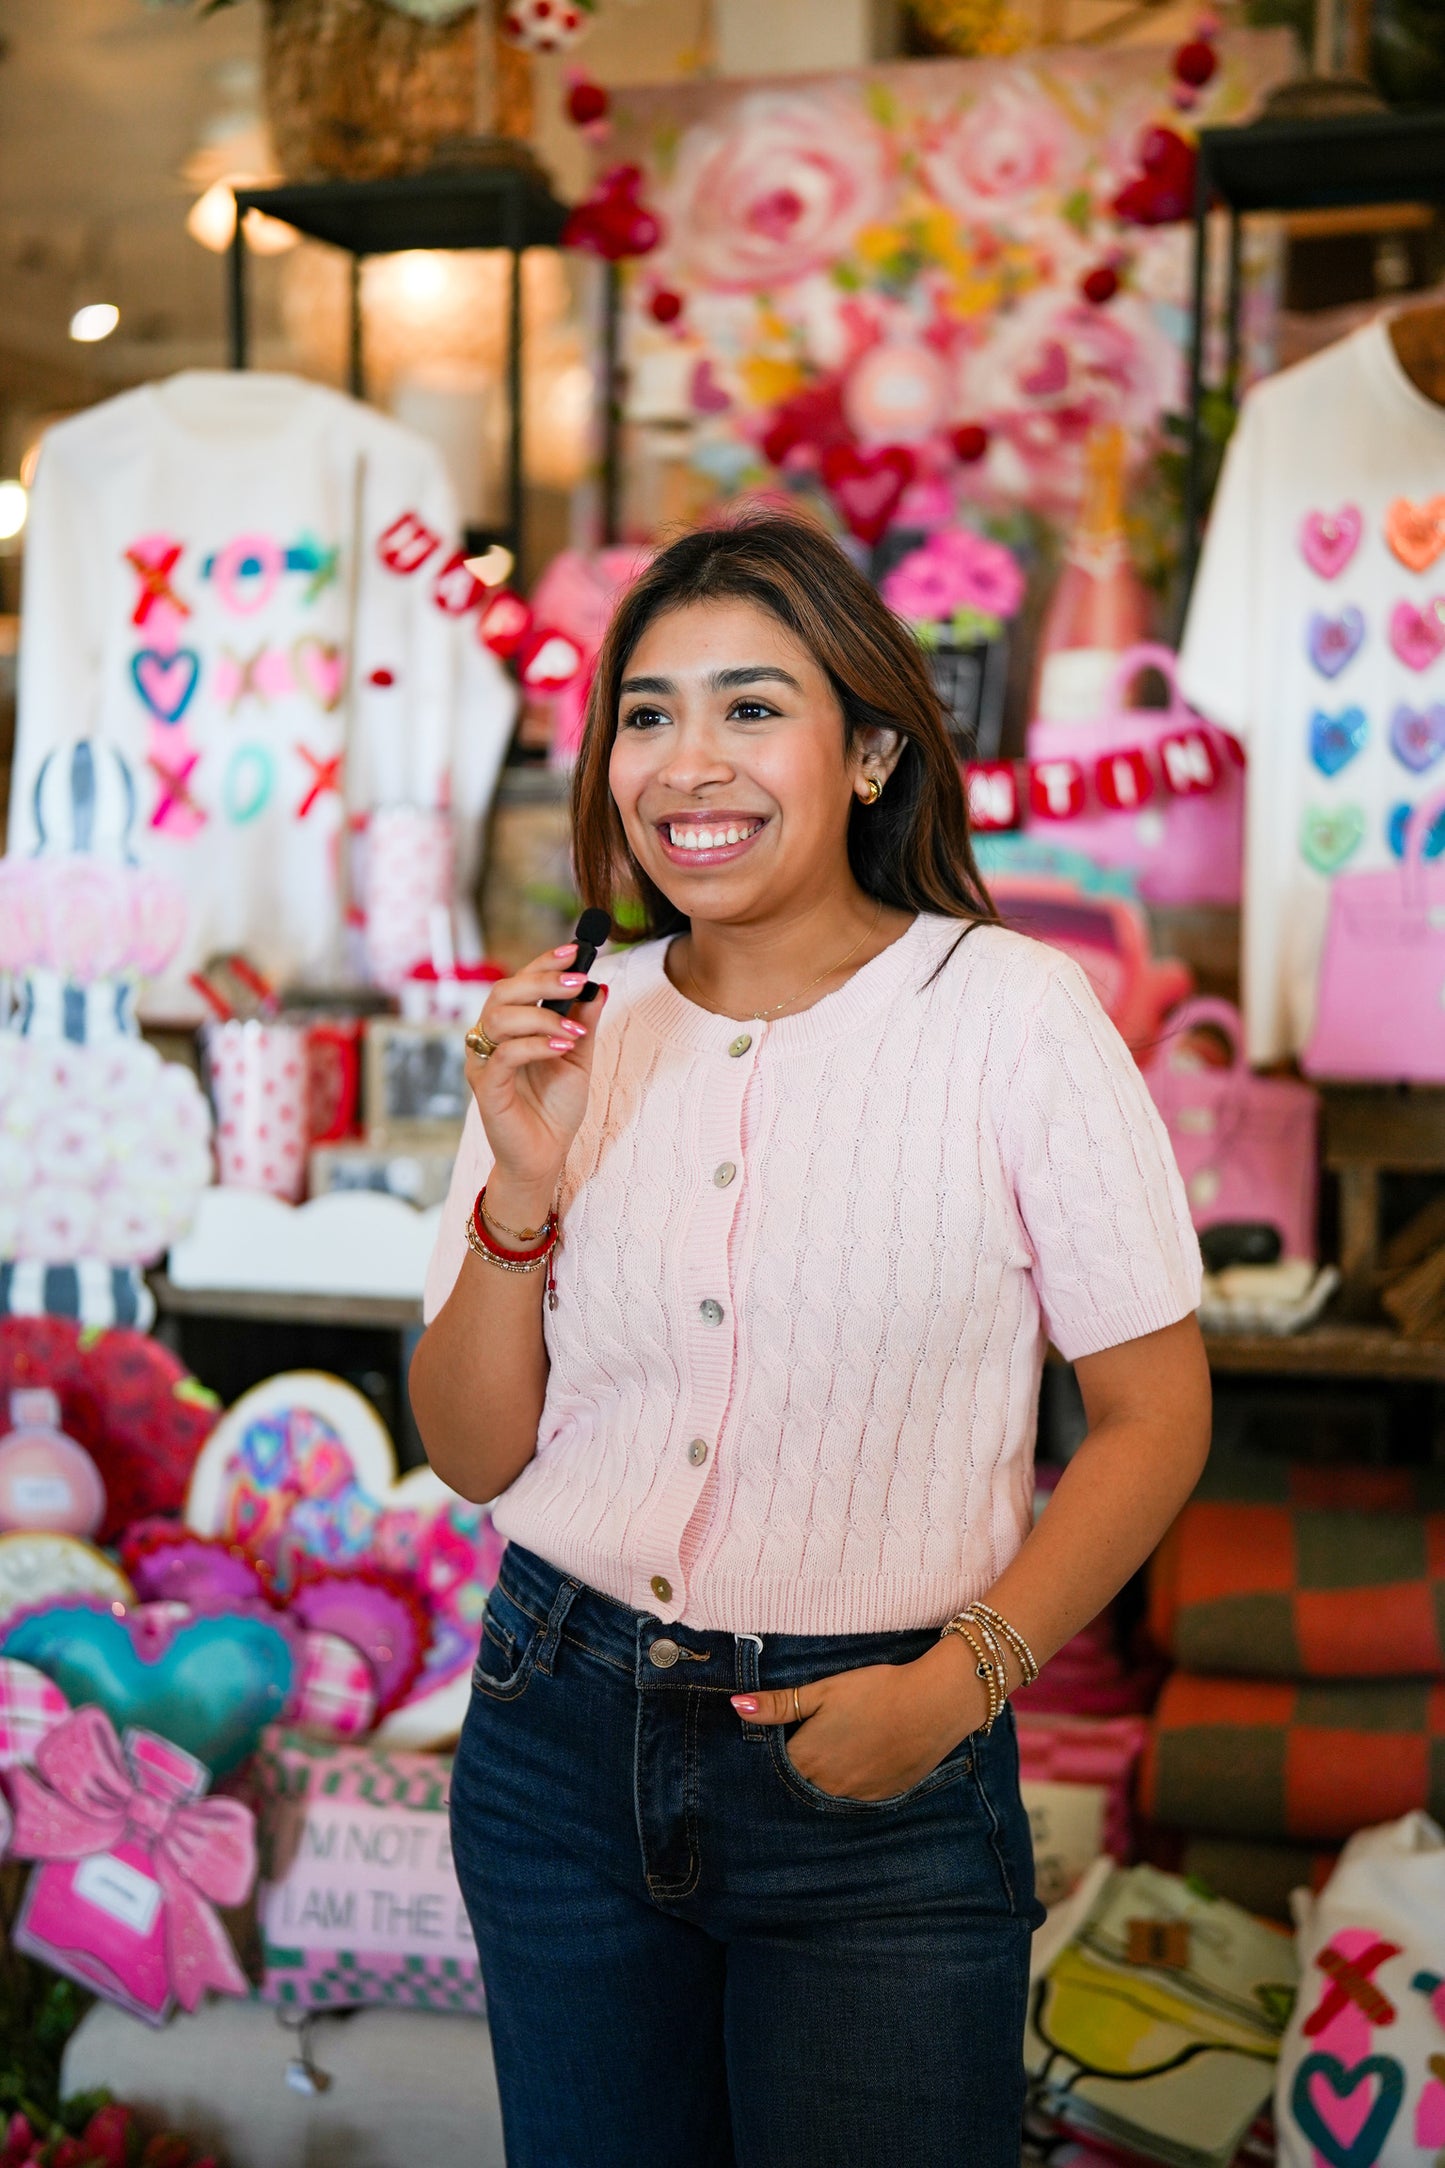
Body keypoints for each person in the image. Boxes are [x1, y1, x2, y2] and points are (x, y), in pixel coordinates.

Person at [410, 513, 1210, 2168]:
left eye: (750, 707)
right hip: (556, 1737)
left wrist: (965, 1682)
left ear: (867, 751)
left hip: (880, 1777)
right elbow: (474, 1452)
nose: (686, 761)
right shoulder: (571, 1022)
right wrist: (522, 1187)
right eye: (646, 713)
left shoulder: (1008, 1015)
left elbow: (1151, 1415)